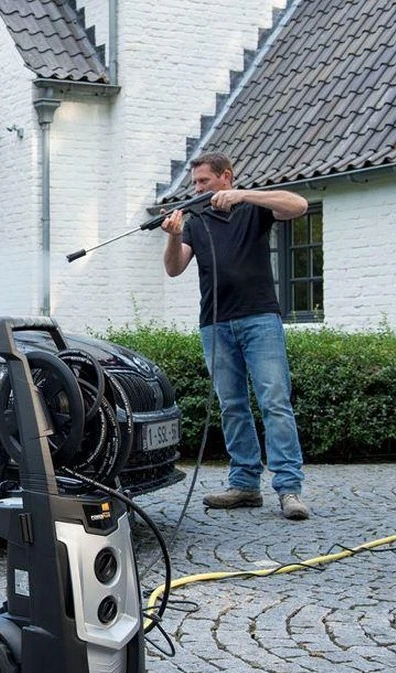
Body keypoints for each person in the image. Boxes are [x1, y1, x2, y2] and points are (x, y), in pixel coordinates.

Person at [161, 152, 310, 520]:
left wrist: (244, 195)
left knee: (275, 401)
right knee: (232, 405)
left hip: (260, 319)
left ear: (225, 177)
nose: (197, 189)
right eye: (194, 183)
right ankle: (244, 484)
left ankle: (289, 489)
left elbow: (299, 205)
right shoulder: (197, 221)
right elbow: (174, 268)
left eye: (204, 181)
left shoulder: (253, 208)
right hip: (215, 324)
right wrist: (174, 236)